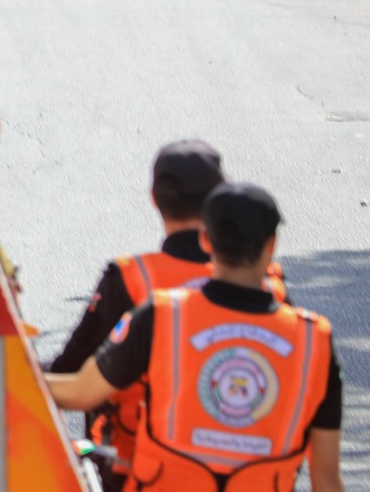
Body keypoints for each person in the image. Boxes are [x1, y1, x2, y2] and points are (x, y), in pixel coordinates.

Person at [46, 183, 343, 492]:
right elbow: (326, 479)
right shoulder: (314, 341)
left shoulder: (162, 315)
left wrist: (10, 370)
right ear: (271, 244)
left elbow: (79, 393)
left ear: (205, 240)